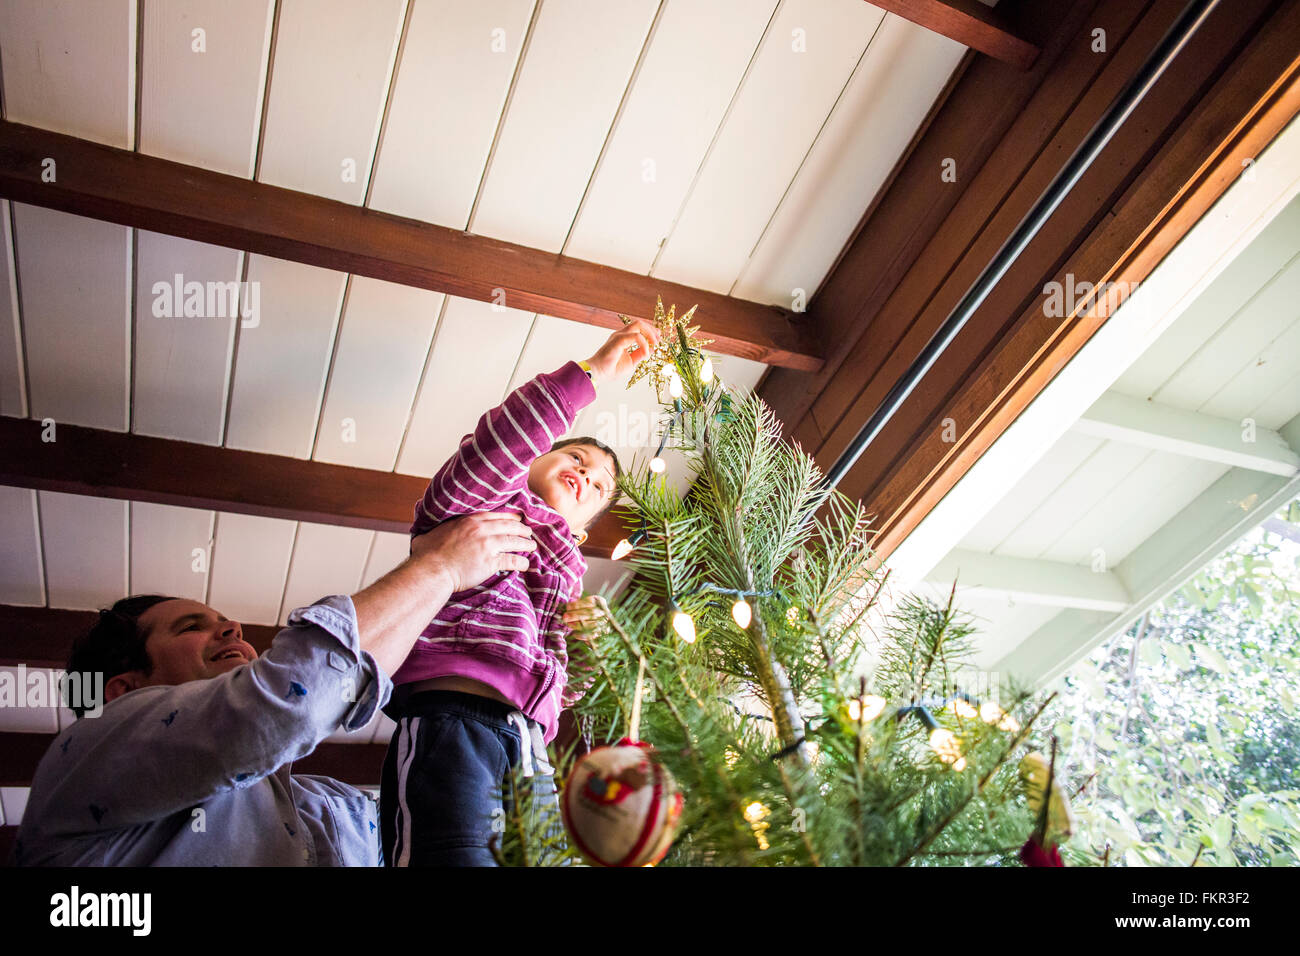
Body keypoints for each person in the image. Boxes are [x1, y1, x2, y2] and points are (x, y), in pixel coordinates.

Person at [11, 511, 537, 866]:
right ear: (122, 690)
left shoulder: (326, 806)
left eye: (223, 620)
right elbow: (291, 699)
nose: (232, 628)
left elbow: (450, 824)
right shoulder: (85, 760)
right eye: (190, 626)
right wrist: (439, 567)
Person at [382, 318, 659, 866]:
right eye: (575, 460)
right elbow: (498, 448)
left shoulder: (567, 573)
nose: (587, 476)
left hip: (532, 746)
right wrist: (594, 373)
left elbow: (564, 684)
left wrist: (582, 650)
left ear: (583, 529)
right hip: (454, 721)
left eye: (600, 486)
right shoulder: (479, 509)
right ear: (532, 461)